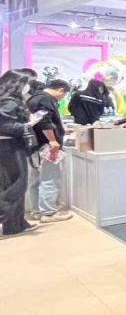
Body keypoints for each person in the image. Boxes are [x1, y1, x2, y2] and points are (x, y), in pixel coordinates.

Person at [0, 70, 41, 237]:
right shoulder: (8, 102)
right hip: (9, 146)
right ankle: (8, 219)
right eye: (27, 83)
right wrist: (29, 124)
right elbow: (5, 126)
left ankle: (15, 224)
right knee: (17, 184)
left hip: (8, 146)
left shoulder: (6, 100)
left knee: (10, 183)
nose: (28, 87)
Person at [26, 79, 72, 224]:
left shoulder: (33, 98)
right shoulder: (46, 99)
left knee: (34, 180)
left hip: (34, 145)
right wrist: (52, 140)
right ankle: (49, 212)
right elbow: (44, 121)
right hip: (46, 145)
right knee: (50, 178)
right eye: (64, 95)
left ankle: (36, 211)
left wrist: (60, 130)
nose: (62, 98)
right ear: (61, 90)